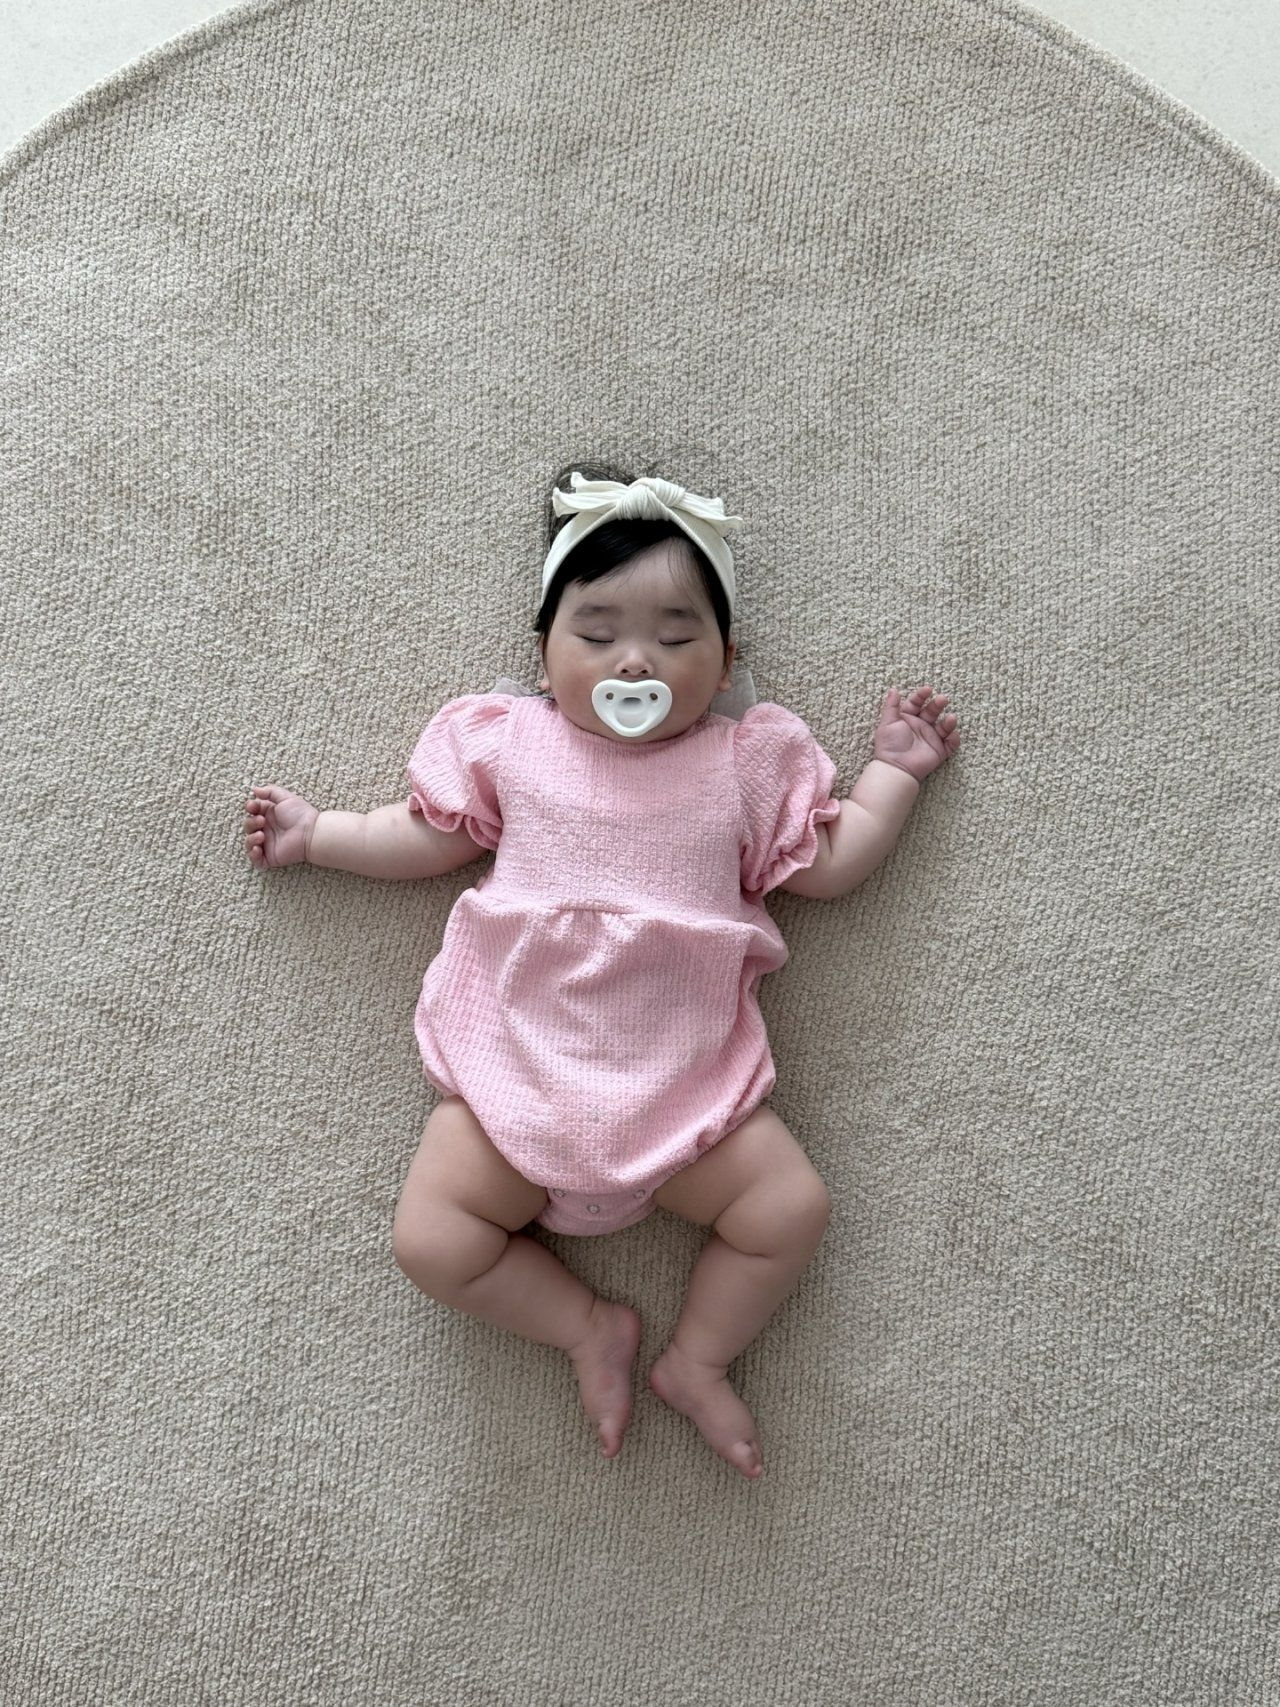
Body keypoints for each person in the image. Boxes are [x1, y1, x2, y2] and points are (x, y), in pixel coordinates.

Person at [241, 462, 961, 1481]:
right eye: (596, 634)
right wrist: (321, 835)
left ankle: (697, 1359)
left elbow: (833, 864)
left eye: (676, 637)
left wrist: (894, 773)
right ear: (543, 655)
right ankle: (584, 1324)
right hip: (515, 1085)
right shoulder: (514, 744)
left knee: (789, 1209)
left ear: (725, 663)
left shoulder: (741, 764)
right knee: (431, 1242)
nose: (635, 660)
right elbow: (426, 834)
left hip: (685, 1100)